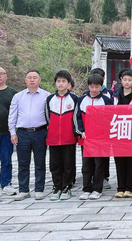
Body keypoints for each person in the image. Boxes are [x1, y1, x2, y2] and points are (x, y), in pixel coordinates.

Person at [9, 70, 50, 201]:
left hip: (40, 132)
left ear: (39, 80)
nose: (32, 80)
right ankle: (23, 189)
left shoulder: (46, 96)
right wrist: (12, 132)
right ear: (25, 80)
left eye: (35, 78)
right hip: (22, 133)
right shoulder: (18, 96)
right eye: (29, 78)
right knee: (23, 163)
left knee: (40, 162)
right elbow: (12, 115)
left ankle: (39, 189)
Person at [74, 73, 112, 200]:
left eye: (97, 87)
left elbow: (109, 119)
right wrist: (81, 131)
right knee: (86, 164)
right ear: (88, 86)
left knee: (99, 164)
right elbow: (77, 118)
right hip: (86, 138)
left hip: (100, 139)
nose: (94, 89)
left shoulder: (106, 100)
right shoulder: (81, 100)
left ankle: (97, 188)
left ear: (101, 87)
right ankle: (86, 188)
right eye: (92, 86)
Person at [46, 70, 78, 201]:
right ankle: (57, 186)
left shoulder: (74, 99)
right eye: (58, 81)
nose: (60, 84)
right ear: (55, 83)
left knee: (68, 163)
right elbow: (47, 118)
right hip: (53, 137)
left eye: (63, 81)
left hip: (68, 137)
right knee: (55, 164)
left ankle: (66, 187)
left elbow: (76, 118)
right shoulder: (49, 99)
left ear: (68, 83)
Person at [112, 69, 132, 198]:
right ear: (121, 80)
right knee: (119, 161)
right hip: (118, 131)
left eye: (130, 80)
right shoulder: (114, 95)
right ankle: (120, 187)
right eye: (125, 79)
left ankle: (130, 188)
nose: (127, 82)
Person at [0, 67, 17, 196]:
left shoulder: (13, 93)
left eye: (1, 74)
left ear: (6, 76)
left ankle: (6, 183)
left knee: (6, 159)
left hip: (6, 133)